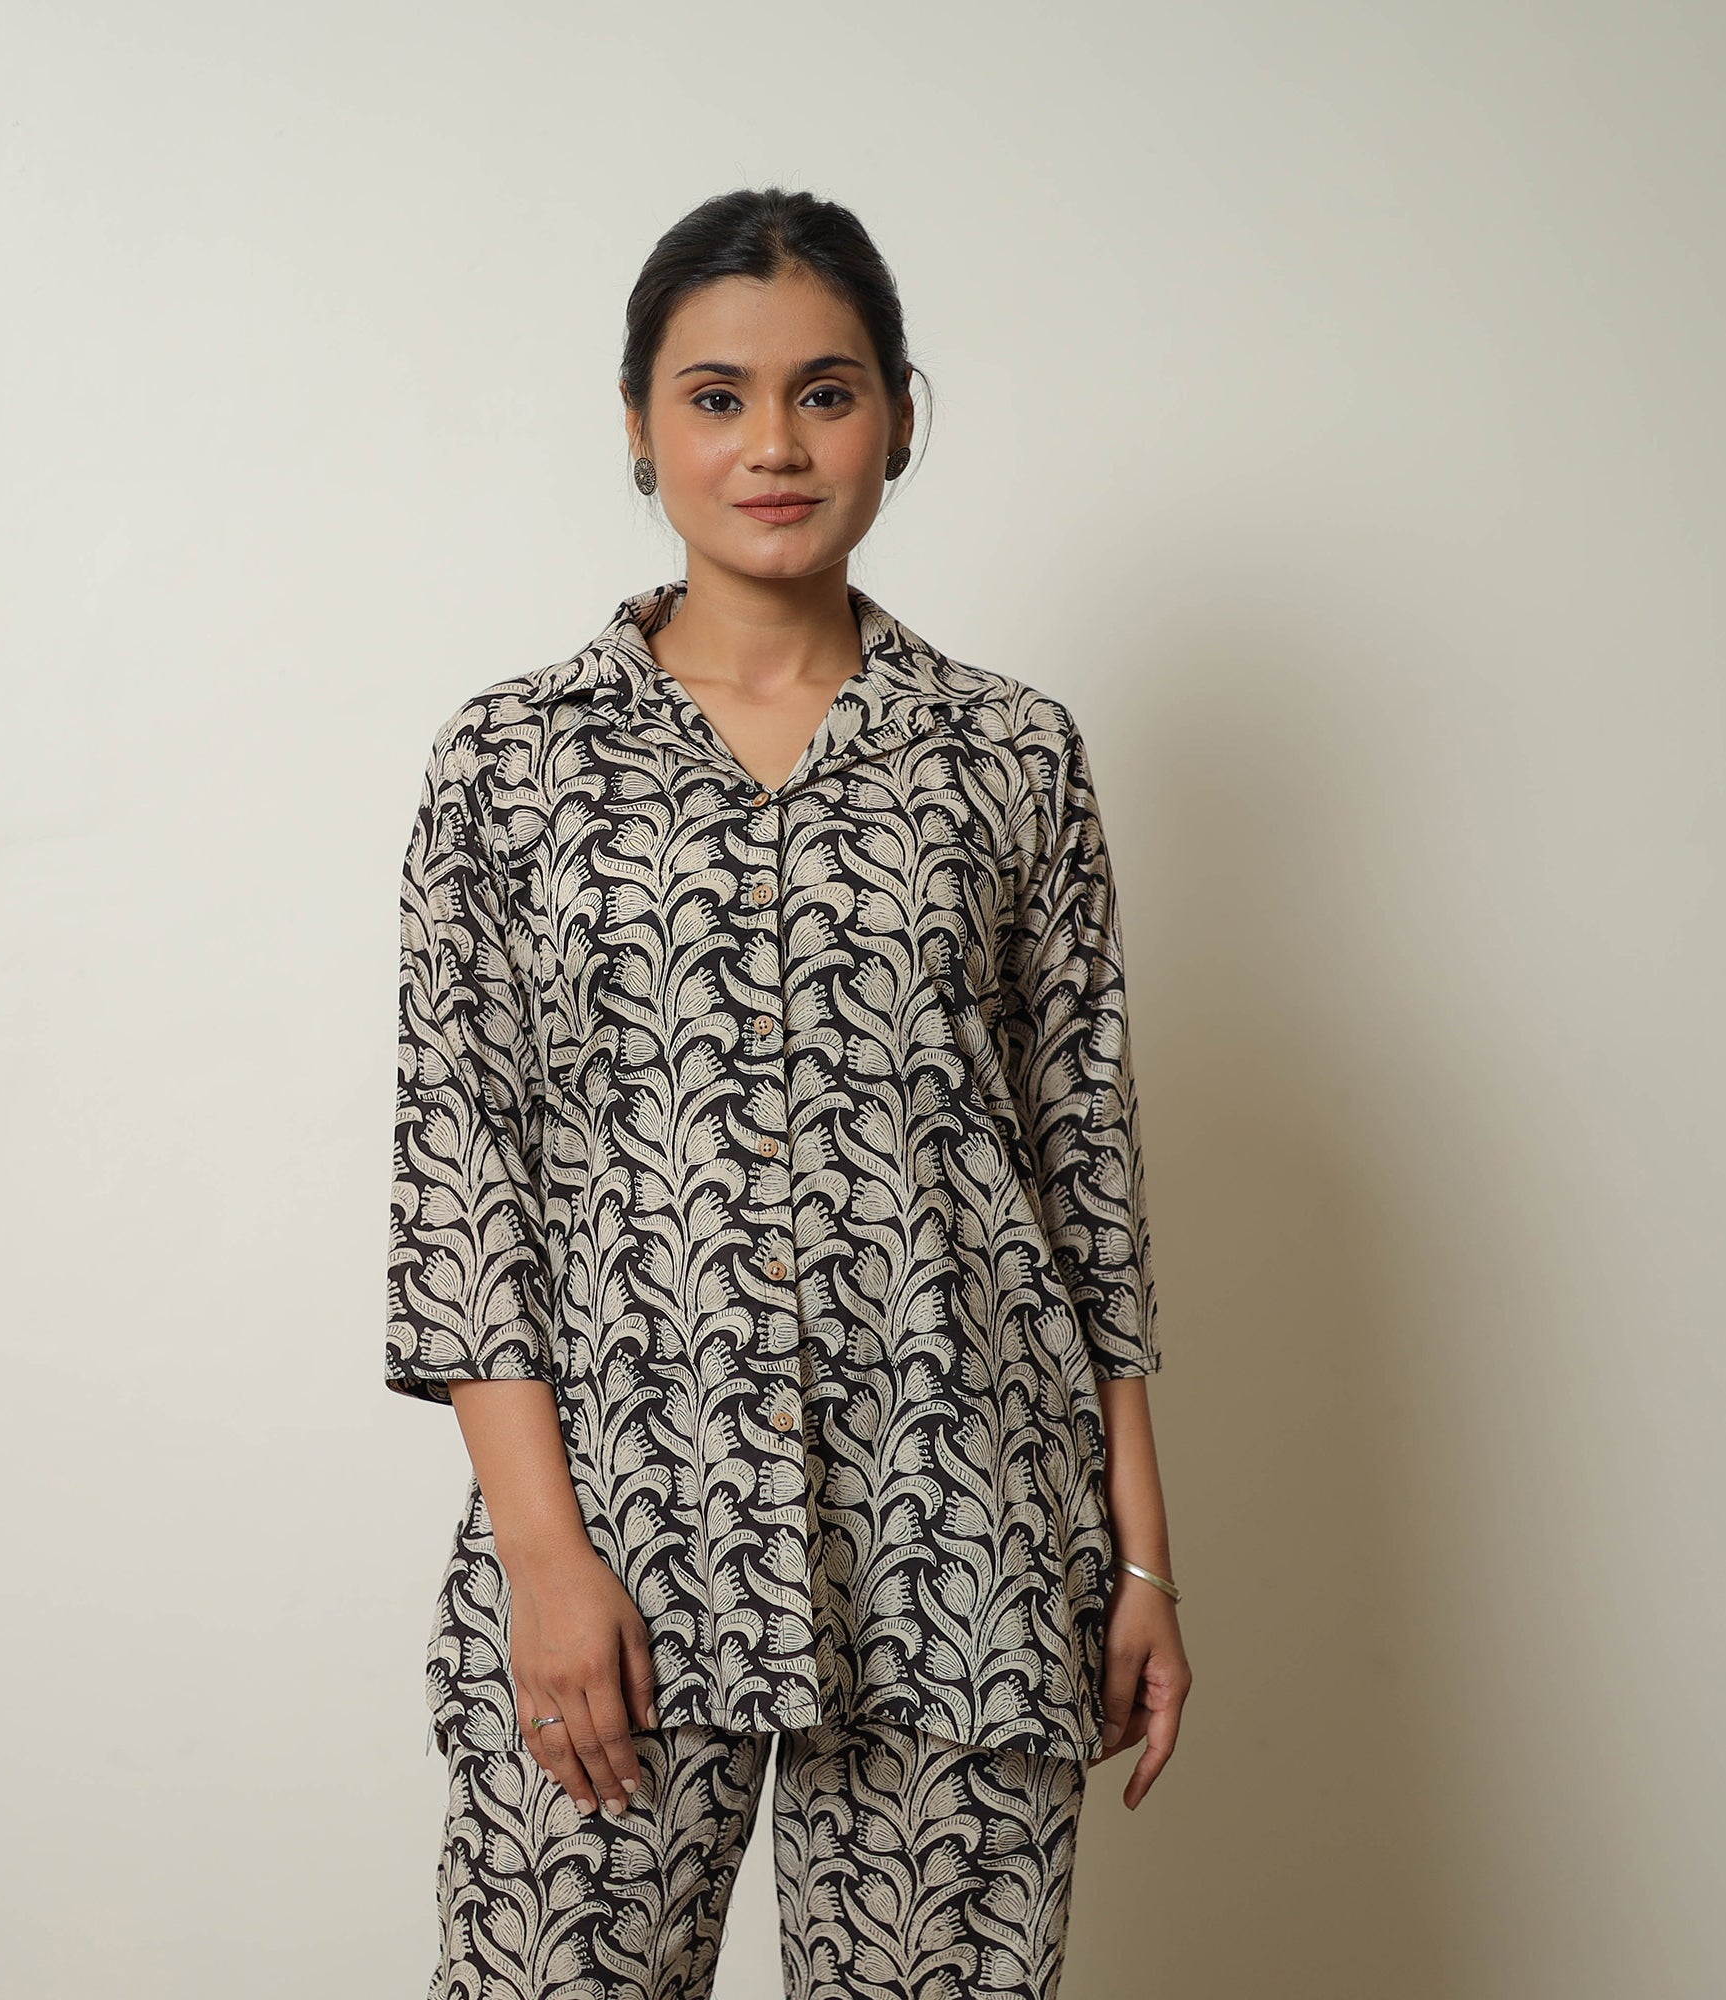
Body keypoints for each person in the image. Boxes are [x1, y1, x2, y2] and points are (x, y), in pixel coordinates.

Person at [387, 185, 1191, 2000]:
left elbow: (1088, 1180)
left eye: (826, 393)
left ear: (900, 417)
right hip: (625, 1532)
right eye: (717, 396)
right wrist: (543, 1559)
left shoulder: (1012, 754)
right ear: (638, 424)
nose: (774, 444)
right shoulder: (510, 764)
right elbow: (463, 1180)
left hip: (965, 1535)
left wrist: (1144, 1565)